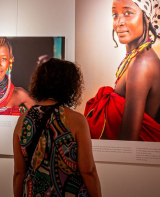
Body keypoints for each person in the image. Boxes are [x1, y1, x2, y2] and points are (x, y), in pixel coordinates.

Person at [84, 0, 160, 143]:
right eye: (115, 14)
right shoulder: (135, 57)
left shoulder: (141, 64)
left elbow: (128, 143)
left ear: (147, 17)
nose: (119, 22)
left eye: (128, 13)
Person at [13, 58, 101, 197]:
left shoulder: (23, 120)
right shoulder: (77, 120)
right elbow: (87, 170)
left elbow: (19, 172)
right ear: (70, 86)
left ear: (39, 83)